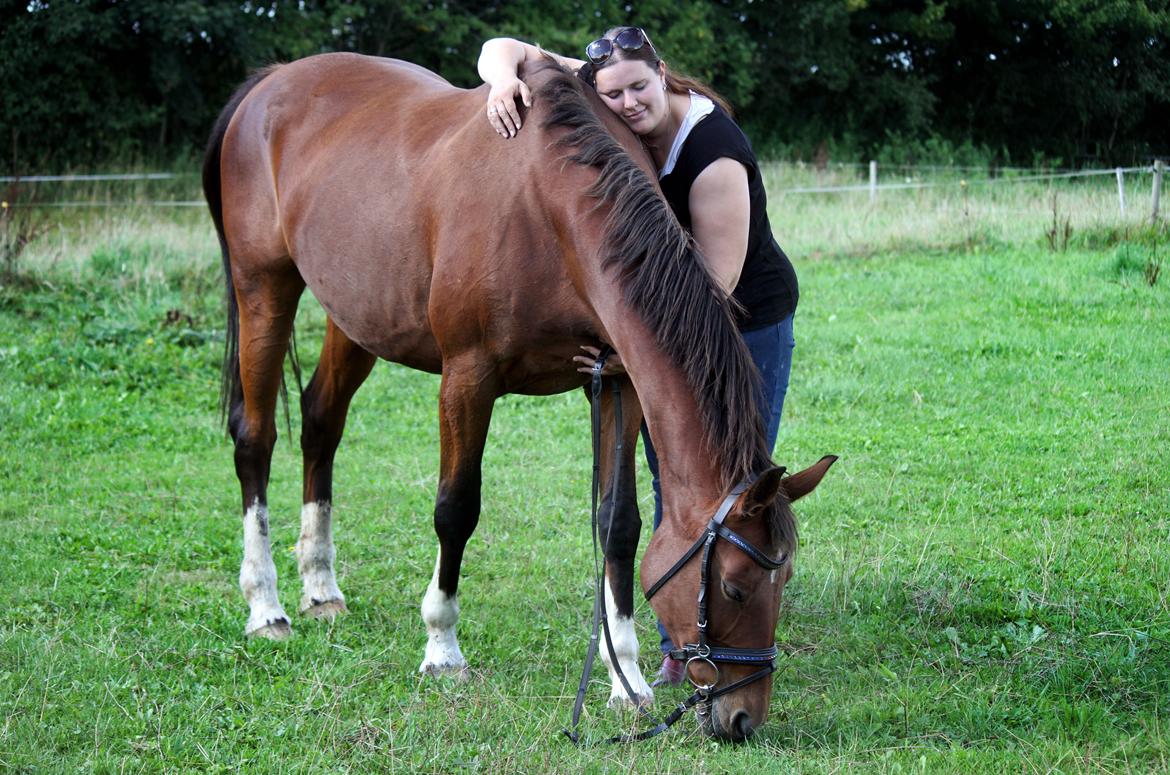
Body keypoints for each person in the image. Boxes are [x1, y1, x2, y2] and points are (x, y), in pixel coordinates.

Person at [477, 27, 799, 686]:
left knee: (734, 480)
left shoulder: (713, 155)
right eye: (613, 93)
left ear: (663, 73)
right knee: (672, 474)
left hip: (743, 322)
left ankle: (744, 596)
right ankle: (680, 634)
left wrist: (626, 352)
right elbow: (503, 45)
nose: (626, 103)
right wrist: (503, 81)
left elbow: (713, 296)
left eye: (638, 87)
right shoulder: (615, 87)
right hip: (669, 323)